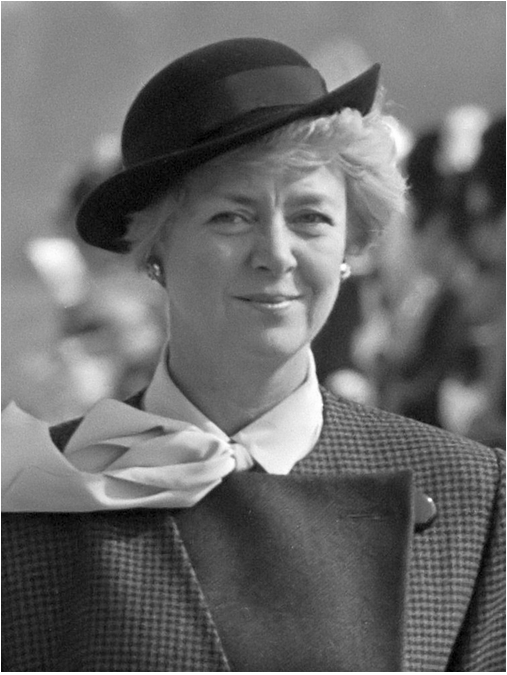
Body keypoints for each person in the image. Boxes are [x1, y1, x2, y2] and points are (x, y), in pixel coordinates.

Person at [2, 38, 504, 672]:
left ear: (350, 243)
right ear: (155, 248)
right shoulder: (36, 493)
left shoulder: (471, 495)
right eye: (231, 217)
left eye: (311, 217)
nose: (276, 254)